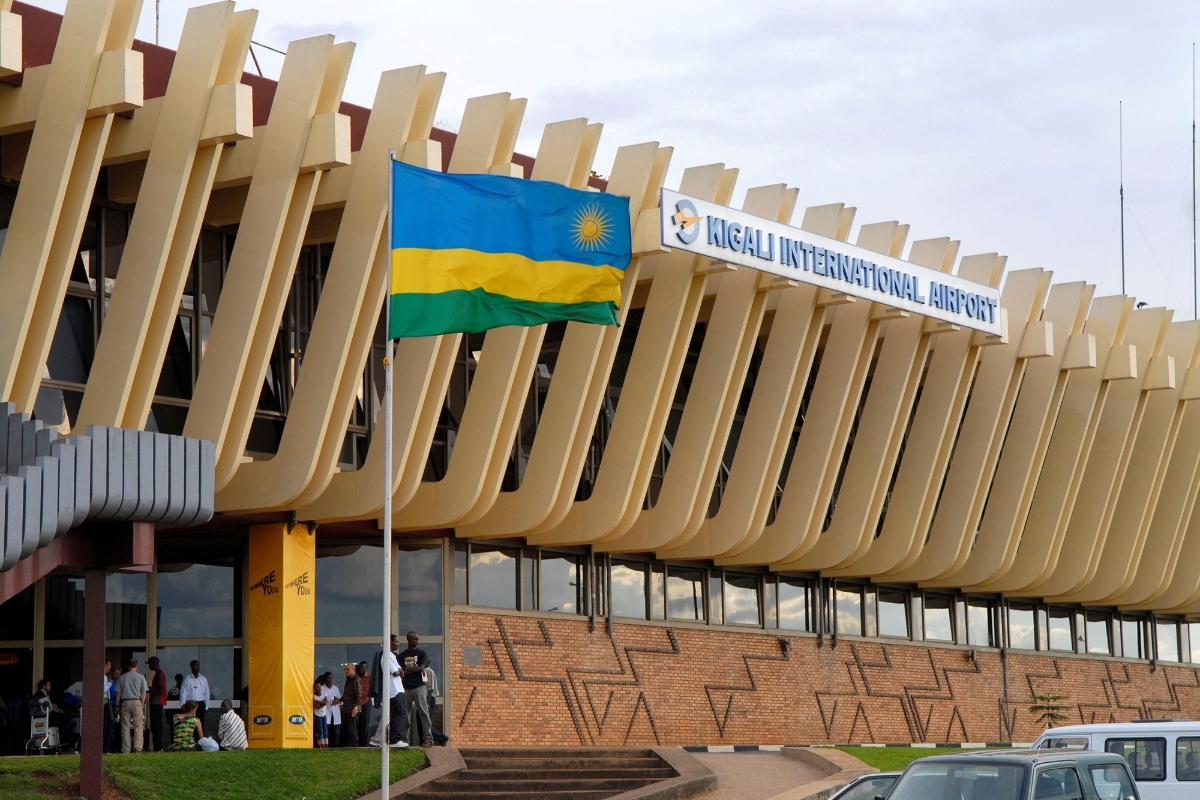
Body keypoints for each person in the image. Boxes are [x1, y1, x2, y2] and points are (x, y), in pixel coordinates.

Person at [368, 634, 408, 748]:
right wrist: (399, 671)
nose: (398, 644)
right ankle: (395, 739)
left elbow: (401, 673)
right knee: (399, 713)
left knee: (391, 715)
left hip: (397, 688)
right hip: (394, 690)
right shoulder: (387, 656)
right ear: (389, 643)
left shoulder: (392, 655)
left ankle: (379, 739)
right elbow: (396, 672)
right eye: (396, 642)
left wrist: (400, 671)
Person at [399, 632, 433, 748]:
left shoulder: (421, 653)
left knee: (424, 713)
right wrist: (415, 669)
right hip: (406, 688)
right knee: (406, 715)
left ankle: (428, 739)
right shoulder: (402, 655)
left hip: (419, 687)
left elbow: (421, 668)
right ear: (408, 639)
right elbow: (401, 672)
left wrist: (407, 669)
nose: (416, 641)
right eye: (414, 639)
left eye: (417, 639)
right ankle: (404, 739)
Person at [115, 657, 149, 754]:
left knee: (125, 726)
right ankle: (137, 748)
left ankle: (126, 749)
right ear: (137, 666)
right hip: (137, 702)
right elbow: (144, 693)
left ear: (127, 666)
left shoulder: (122, 677)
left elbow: (118, 693)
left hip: (125, 702)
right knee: (138, 726)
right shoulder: (141, 677)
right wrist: (142, 704)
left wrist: (117, 705)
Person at [422, 665, 449, 746]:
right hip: (426, 699)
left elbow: (430, 688)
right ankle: (424, 740)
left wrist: (427, 702)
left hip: (429, 699)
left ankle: (441, 738)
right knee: (422, 720)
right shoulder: (425, 671)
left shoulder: (427, 671)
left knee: (425, 721)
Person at [146, 656, 167, 752]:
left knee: (156, 725)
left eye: (150, 664)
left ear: (154, 664)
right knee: (155, 725)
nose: (149, 666)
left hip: (157, 703)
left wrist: (148, 688)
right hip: (156, 702)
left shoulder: (159, 673)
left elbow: (161, 689)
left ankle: (158, 747)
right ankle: (157, 747)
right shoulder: (158, 673)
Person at [180, 661, 210, 729]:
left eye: (198, 665)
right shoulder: (187, 679)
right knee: (190, 724)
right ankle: (193, 739)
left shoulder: (203, 679)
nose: (197, 667)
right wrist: (182, 703)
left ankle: (201, 739)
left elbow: (207, 693)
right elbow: (183, 692)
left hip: (201, 704)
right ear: (191, 666)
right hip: (190, 704)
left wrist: (207, 707)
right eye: (196, 665)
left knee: (201, 724)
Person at [340, 662, 361, 748]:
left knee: (352, 728)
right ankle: (345, 745)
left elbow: (358, 695)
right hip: (346, 707)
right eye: (345, 669)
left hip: (352, 707)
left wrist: (356, 707)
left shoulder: (356, 679)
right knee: (345, 728)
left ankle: (354, 745)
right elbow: (347, 694)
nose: (345, 671)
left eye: (347, 669)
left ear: (353, 669)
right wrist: (339, 700)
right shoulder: (348, 679)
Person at [323, 672, 342, 747]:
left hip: (335, 711)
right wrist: (331, 699)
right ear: (325, 678)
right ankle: (328, 745)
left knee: (336, 730)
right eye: (328, 678)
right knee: (327, 729)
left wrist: (335, 699)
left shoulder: (335, 688)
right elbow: (323, 699)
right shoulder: (322, 688)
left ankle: (336, 745)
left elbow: (339, 699)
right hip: (326, 711)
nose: (330, 680)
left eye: (331, 678)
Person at [355, 661, 371, 747]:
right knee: (357, 723)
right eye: (360, 667)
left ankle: (364, 744)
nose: (361, 669)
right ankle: (357, 743)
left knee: (365, 723)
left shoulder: (369, 677)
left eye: (363, 668)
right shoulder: (356, 677)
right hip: (357, 703)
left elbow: (370, 689)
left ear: (366, 668)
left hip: (366, 702)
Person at [312, 678, 329, 748]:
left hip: (324, 714)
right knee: (320, 729)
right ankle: (320, 744)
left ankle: (326, 743)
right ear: (314, 688)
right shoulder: (313, 696)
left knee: (325, 729)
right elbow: (317, 707)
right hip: (317, 715)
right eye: (317, 687)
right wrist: (322, 703)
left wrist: (318, 701)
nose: (319, 688)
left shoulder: (324, 694)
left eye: (320, 686)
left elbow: (326, 702)